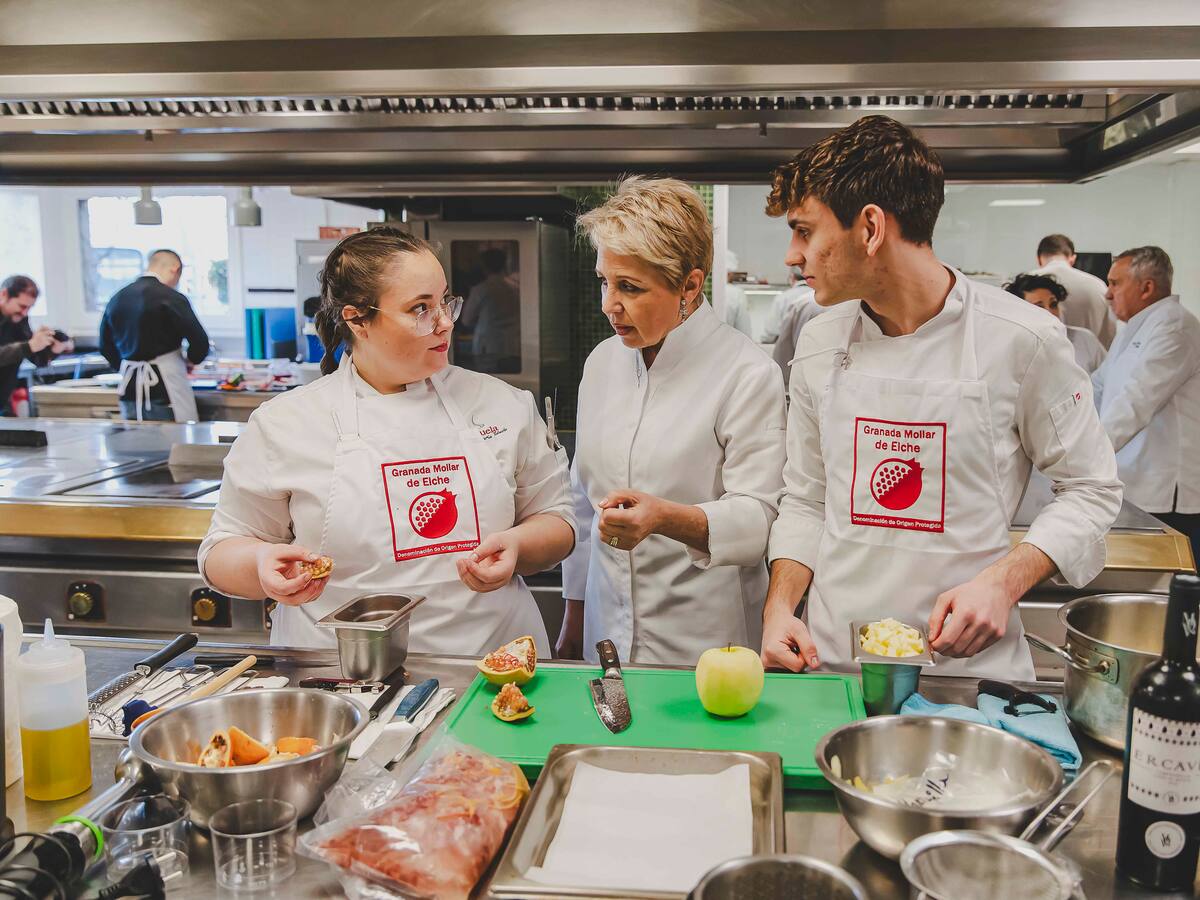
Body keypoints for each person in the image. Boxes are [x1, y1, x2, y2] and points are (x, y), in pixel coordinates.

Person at [760, 116, 1122, 680]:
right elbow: (806, 499)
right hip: (836, 670)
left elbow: (1092, 492)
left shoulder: (1023, 339)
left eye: (804, 231)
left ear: (870, 228)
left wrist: (1003, 584)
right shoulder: (819, 339)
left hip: (970, 679)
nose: (791, 254)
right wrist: (781, 605)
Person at [198, 227, 574, 653]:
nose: (446, 322)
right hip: (339, 673)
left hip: (491, 664)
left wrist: (520, 547)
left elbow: (558, 521)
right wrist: (260, 564)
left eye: (445, 301)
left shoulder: (503, 405)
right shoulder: (286, 422)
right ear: (357, 318)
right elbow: (221, 550)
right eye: (420, 308)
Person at [559, 177, 787, 665]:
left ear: (689, 285)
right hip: (605, 639)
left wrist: (666, 518)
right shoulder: (602, 363)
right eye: (604, 281)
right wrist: (573, 617)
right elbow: (583, 501)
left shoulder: (747, 374)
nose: (608, 305)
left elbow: (758, 520)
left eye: (630, 287)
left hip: (705, 645)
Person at [1092, 246, 1200, 562]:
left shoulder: (1174, 327)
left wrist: (1086, 456)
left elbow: (1137, 401)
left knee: (1177, 590)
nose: (1108, 294)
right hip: (1135, 482)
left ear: (1147, 287)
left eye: (1115, 283)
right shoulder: (1135, 328)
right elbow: (1097, 385)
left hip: (1168, 493)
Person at [99, 249, 210, 422]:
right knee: (172, 444)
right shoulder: (172, 298)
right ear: (175, 268)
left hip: (129, 387)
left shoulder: (117, 298)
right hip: (166, 387)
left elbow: (105, 346)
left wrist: (123, 365)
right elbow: (200, 342)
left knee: (135, 442)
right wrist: (191, 360)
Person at [0, 275, 73, 416]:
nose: (25, 312)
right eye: (22, 306)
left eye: (29, 307)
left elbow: (37, 359)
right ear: (4, 294)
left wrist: (52, 350)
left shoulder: (19, 319)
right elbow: (25, 348)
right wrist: (30, 345)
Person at [1004, 272, 1106, 373]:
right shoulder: (1012, 348)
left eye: (1053, 304)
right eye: (1039, 307)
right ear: (1020, 312)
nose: (1050, 312)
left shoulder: (1084, 339)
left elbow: (1108, 378)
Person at [1033, 234, 1117, 349]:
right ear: (1073, 259)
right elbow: (1110, 335)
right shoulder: (1098, 286)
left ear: (1038, 259)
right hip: (1091, 364)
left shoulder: (1021, 287)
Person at [460, 248, 521, 372]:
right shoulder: (514, 287)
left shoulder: (481, 289)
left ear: (484, 267)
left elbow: (466, 320)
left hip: (487, 348)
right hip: (513, 346)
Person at [771, 277, 825, 387]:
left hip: (803, 379)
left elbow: (782, 355)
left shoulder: (804, 303)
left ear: (792, 278)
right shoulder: (810, 302)